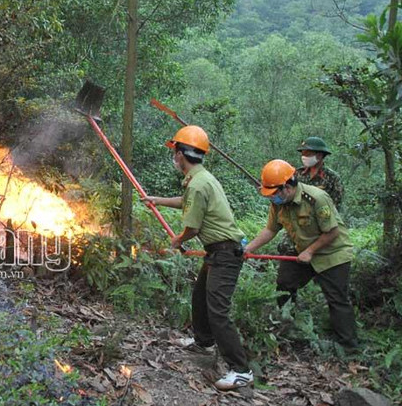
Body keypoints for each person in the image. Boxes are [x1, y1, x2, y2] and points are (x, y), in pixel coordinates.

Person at [143, 125, 252, 391]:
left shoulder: (198, 184)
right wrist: (158, 200)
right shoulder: (201, 178)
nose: (174, 157)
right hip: (219, 251)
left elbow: (192, 227)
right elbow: (188, 201)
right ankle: (203, 342)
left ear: (181, 154)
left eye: (175, 151)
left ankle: (241, 370)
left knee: (218, 312)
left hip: (226, 253)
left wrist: (178, 241)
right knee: (199, 296)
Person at [243, 159, 358, 350]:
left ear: (287, 187)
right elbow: (270, 230)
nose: (272, 198)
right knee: (285, 283)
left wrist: (311, 251)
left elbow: (332, 232)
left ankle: (348, 347)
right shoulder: (278, 203)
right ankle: (288, 326)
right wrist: (249, 249)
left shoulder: (316, 198)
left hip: (332, 253)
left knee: (337, 299)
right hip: (301, 250)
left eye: (275, 193)